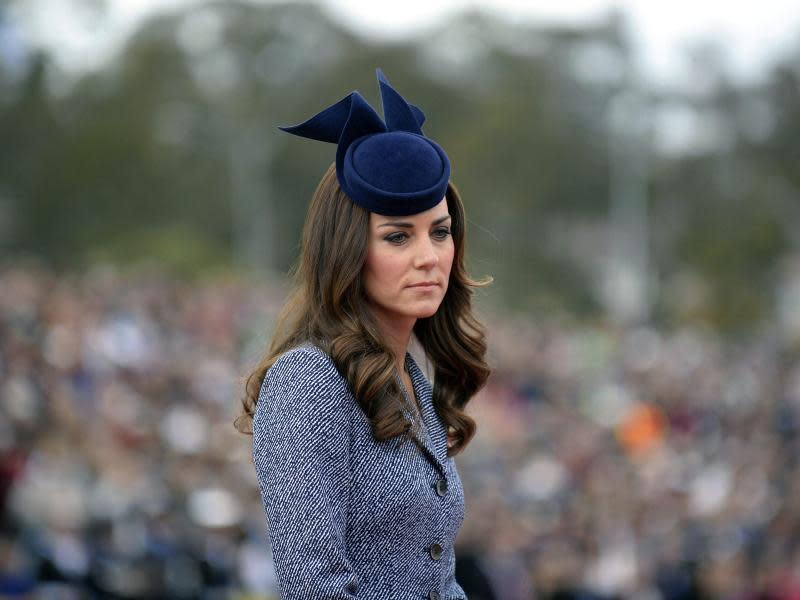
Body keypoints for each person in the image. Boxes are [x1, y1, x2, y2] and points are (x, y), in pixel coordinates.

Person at [235, 68, 491, 600]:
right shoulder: (308, 382)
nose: (429, 257)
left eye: (439, 232)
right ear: (348, 249)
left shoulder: (412, 377)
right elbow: (314, 587)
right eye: (398, 237)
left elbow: (437, 580)